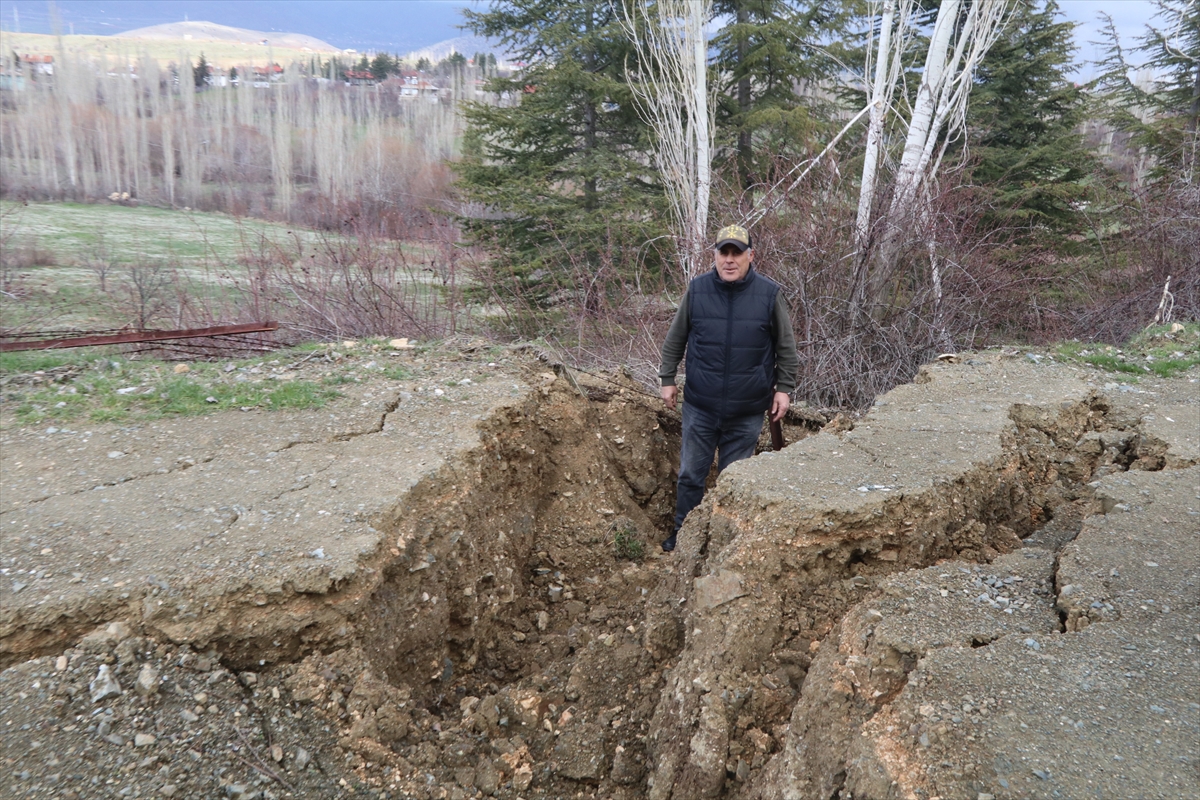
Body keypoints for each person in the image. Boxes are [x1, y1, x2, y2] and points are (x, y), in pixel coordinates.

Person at [658, 224, 799, 552]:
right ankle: (683, 538)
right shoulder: (697, 290)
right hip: (700, 407)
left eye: (738, 252)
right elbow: (675, 339)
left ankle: (721, 545)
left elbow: (786, 348)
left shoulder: (769, 294)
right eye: (725, 252)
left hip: (746, 411)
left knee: (732, 483)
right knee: (691, 476)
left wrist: (784, 388)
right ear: (716, 256)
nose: (730, 260)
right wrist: (667, 379)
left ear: (751, 256)